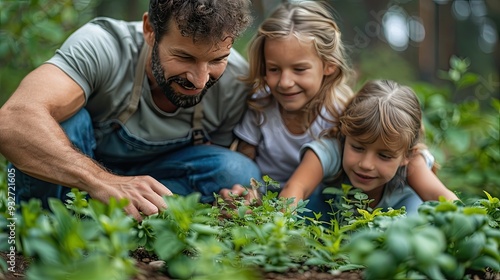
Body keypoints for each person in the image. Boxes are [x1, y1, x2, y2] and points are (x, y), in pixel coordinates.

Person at [0, 0, 261, 221]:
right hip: (78, 176)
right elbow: (12, 121)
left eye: (217, 60)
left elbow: (212, 160)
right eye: (185, 57)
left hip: (159, 175)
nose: (200, 80)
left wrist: (229, 199)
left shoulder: (235, 81)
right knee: (65, 121)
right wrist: (103, 181)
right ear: (150, 30)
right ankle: (47, 225)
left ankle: (136, 219)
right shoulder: (103, 46)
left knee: (237, 171)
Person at [219, 1, 355, 215]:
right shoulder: (261, 104)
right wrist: (248, 191)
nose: (285, 82)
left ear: (329, 65)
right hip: (266, 192)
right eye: (274, 69)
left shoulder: (340, 112)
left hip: (314, 197)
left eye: (299, 69)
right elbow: (247, 159)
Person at [280, 80, 459, 217]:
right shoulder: (331, 150)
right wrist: (282, 228)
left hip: (397, 223)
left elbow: (440, 196)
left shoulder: (413, 163)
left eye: (384, 156)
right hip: (331, 219)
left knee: (419, 218)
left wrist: (476, 228)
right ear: (344, 133)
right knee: (306, 208)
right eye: (357, 148)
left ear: (406, 155)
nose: (366, 164)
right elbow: (296, 187)